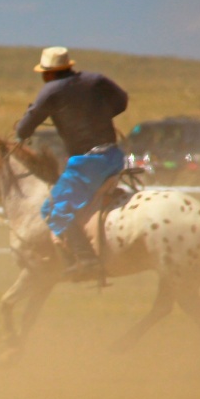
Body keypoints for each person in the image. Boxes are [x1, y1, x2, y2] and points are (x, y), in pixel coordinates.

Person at [14, 46, 128, 281]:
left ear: (49, 73)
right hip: (114, 157)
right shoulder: (96, 80)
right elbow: (122, 101)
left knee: (53, 209)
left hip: (87, 163)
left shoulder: (51, 91)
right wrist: (100, 116)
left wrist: (22, 132)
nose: (44, 77)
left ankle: (85, 259)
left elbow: (26, 125)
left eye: (44, 73)